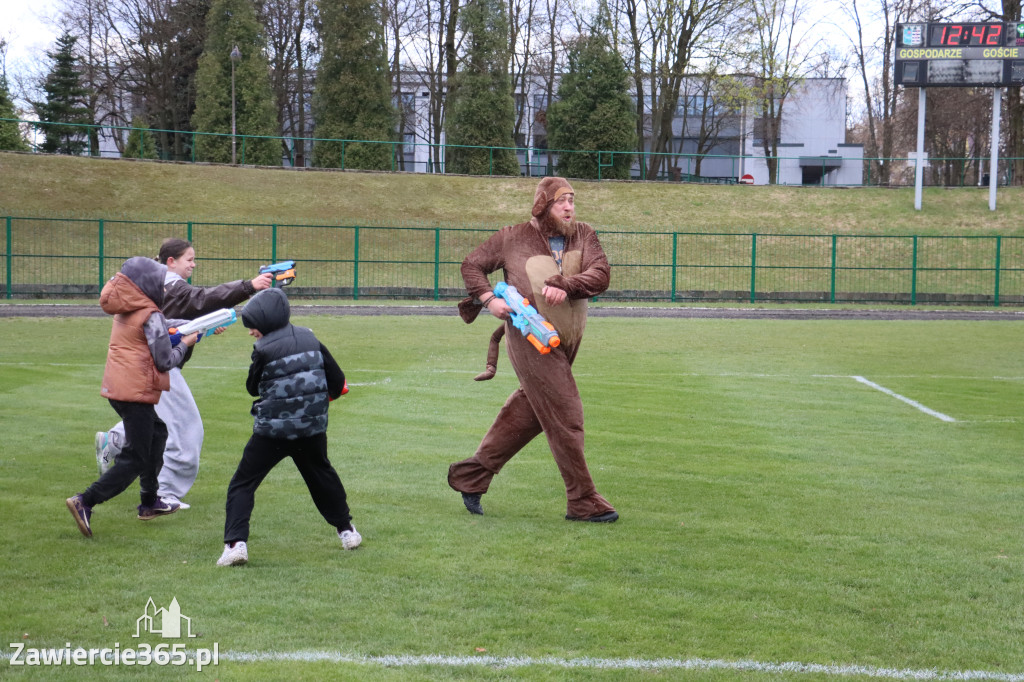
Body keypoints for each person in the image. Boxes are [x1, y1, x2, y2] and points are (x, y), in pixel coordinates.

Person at [449, 177, 618, 522]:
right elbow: (472, 265)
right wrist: (489, 300)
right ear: (543, 205)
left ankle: (472, 476)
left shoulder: (584, 234)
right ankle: (582, 500)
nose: (569, 207)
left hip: (566, 342)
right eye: (562, 202)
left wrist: (567, 284)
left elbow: (600, 275)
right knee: (567, 416)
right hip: (530, 340)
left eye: (572, 200)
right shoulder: (512, 237)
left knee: (530, 411)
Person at [95, 238, 272, 509]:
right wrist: (248, 286)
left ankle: (117, 440)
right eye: (189, 259)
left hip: (141, 369)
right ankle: (162, 491)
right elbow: (199, 299)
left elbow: (168, 323)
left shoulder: (147, 288)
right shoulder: (170, 284)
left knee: (156, 427)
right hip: (157, 367)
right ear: (170, 262)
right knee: (187, 430)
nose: (193, 264)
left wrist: (201, 327)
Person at [217, 288, 360, 566]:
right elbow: (337, 379)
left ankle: (235, 545)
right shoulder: (311, 337)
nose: (251, 332)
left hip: (273, 432)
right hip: (312, 428)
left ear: (266, 321)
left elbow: (251, 387)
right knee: (321, 477)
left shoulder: (262, 350)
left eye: (253, 327)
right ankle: (347, 531)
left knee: (242, 484)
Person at [66, 257, 201, 537]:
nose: (163, 288)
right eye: (159, 282)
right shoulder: (148, 313)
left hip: (121, 387)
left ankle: (150, 502)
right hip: (135, 392)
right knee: (136, 458)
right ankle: (85, 501)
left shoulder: (130, 305)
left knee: (158, 432)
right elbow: (165, 361)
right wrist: (186, 343)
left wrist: (193, 325)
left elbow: (162, 325)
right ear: (147, 283)